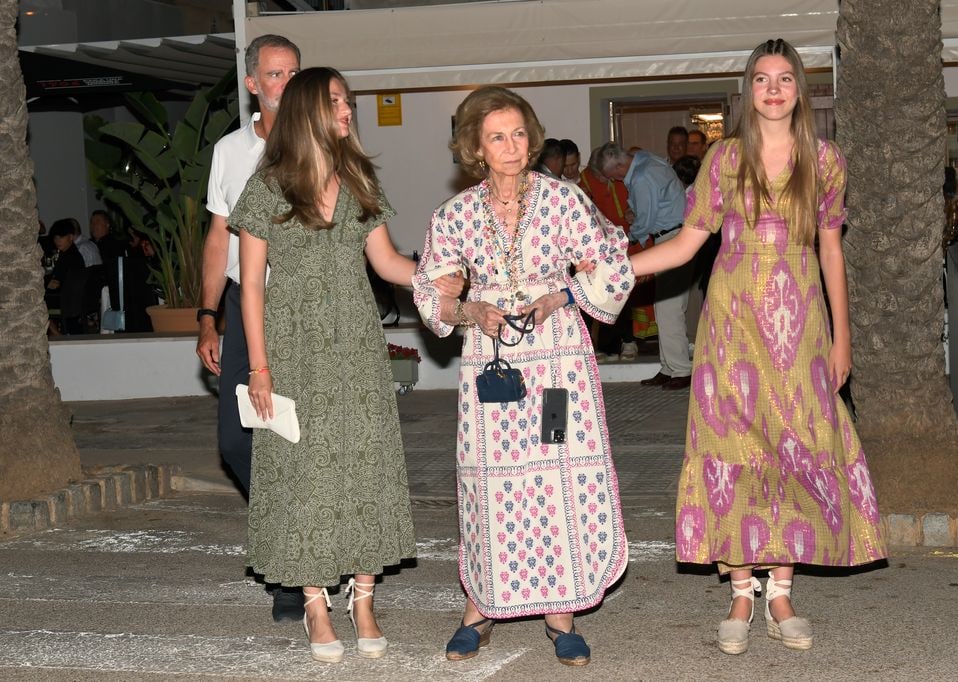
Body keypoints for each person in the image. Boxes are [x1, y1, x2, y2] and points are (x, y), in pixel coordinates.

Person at [630, 38, 887, 655]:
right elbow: (689, 244)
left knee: (794, 445)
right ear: (749, 91)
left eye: (785, 80)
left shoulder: (824, 161)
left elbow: (831, 249)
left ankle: (782, 590)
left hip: (801, 328)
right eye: (762, 80)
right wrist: (618, 266)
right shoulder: (724, 159)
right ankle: (742, 591)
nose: (773, 90)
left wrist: (842, 336)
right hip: (732, 326)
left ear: (800, 89)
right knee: (735, 446)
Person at [233, 67, 461, 664]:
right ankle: (315, 602)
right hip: (292, 347)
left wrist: (442, 280)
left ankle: (363, 598)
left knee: (364, 464)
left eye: (349, 101)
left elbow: (386, 263)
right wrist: (259, 368)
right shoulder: (268, 187)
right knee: (304, 473)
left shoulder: (359, 178)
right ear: (310, 108)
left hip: (356, 345)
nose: (347, 110)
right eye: (336, 101)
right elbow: (251, 287)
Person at [413, 86, 634, 667]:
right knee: (492, 482)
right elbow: (432, 294)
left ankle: (560, 614)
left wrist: (561, 294)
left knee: (556, 472)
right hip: (492, 366)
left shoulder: (565, 201)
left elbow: (611, 264)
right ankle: (480, 606)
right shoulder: (454, 216)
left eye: (517, 134)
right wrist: (470, 310)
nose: (511, 147)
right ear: (476, 148)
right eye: (496, 138)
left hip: (558, 365)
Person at [195, 34, 304, 622]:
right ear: (252, 83)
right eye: (274, 73)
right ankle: (288, 535)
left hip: (305, 304)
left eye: (293, 72)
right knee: (239, 441)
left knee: (297, 437)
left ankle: (293, 571)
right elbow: (219, 239)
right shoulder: (230, 151)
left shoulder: (321, 143)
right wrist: (208, 316)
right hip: (242, 304)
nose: (284, 82)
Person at [598, 141, 693, 390]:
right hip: (673, 237)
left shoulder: (641, 177)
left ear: (619, 165)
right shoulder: (648, 159)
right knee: (665, 308)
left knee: (670, 310)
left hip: (671, 238)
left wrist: (625, 239)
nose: (617, 181)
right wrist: (634, 213)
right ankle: (669, 366)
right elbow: (650, 206)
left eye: (614, 176)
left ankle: (681, 369)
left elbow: (646, 220)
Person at [577, 148, 640, 362]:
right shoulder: (583, 183)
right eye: (602, 176)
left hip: (625, 241)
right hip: (597, 246)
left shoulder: (623, 178)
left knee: (624, 288)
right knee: (595, 293)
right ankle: (604, 344)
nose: (607, 179)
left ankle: (627, 340)